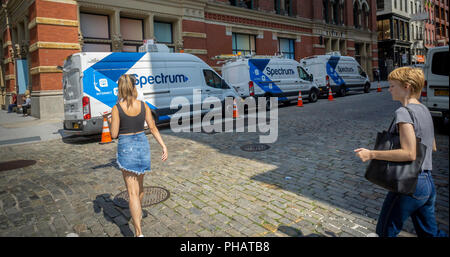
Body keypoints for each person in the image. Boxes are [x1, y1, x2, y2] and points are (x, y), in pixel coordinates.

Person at [354, 67, 447, 237]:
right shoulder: (424, 109)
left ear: (407, 87)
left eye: (392, 86)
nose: (389, 89)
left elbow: (409, 153)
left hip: (410, 184)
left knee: (385, 231)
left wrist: (371, 154)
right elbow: (432, 145)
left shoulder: (403, 113)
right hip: (427, 183)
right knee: (430, 234)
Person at [106, 74, 168, 237]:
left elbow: (113, 134)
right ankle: (137, 213)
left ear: (120, 89)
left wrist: (108, 121)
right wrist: (163, 146)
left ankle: (138, 233)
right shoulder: (143, 106)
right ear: (134, 87)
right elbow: (153, 128)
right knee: (140, 189)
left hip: (127, 147)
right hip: (142, 145)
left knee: (132, 193)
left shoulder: (117, 108)